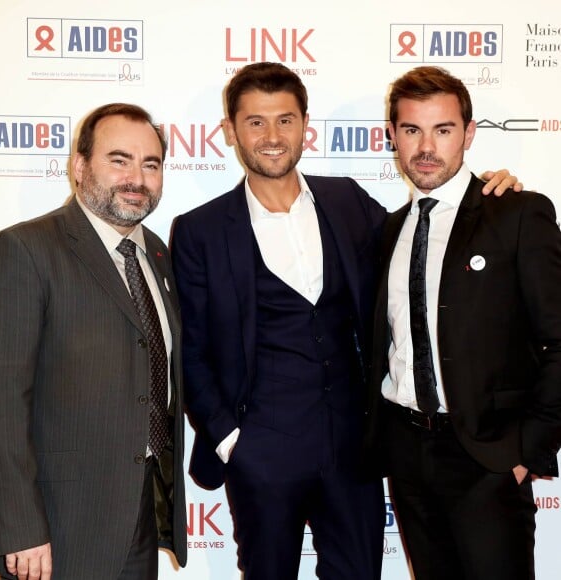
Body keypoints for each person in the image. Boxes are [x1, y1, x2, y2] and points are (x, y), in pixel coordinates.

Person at [171, 62, 520, 580]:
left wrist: (486, 196)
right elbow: (192, 349)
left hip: (353, 452)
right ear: (230, 130)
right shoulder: (199, 230)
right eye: (256, 122)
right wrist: (232, 442)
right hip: (261, 454)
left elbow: (425, 244)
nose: (272, 137)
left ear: (306, 126)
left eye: (285, 120)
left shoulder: (349, 201)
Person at [365, 65, 561, 580]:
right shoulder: (388, 230)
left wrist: (524, 452)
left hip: (488, 460)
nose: (426, 146)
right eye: (411, 130)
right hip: (406, 455)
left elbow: (558, 342)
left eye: (443, 129)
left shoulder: (517, 214)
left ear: (469, 134)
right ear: (393, 136)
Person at [0, 103, 187, 580]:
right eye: (119, 159)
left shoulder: (156, 253)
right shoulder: (24, 250)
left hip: (139, 510)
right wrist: (19, 527)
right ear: (79, 167)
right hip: (56, 525)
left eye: (150, 164)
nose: (137, 177)